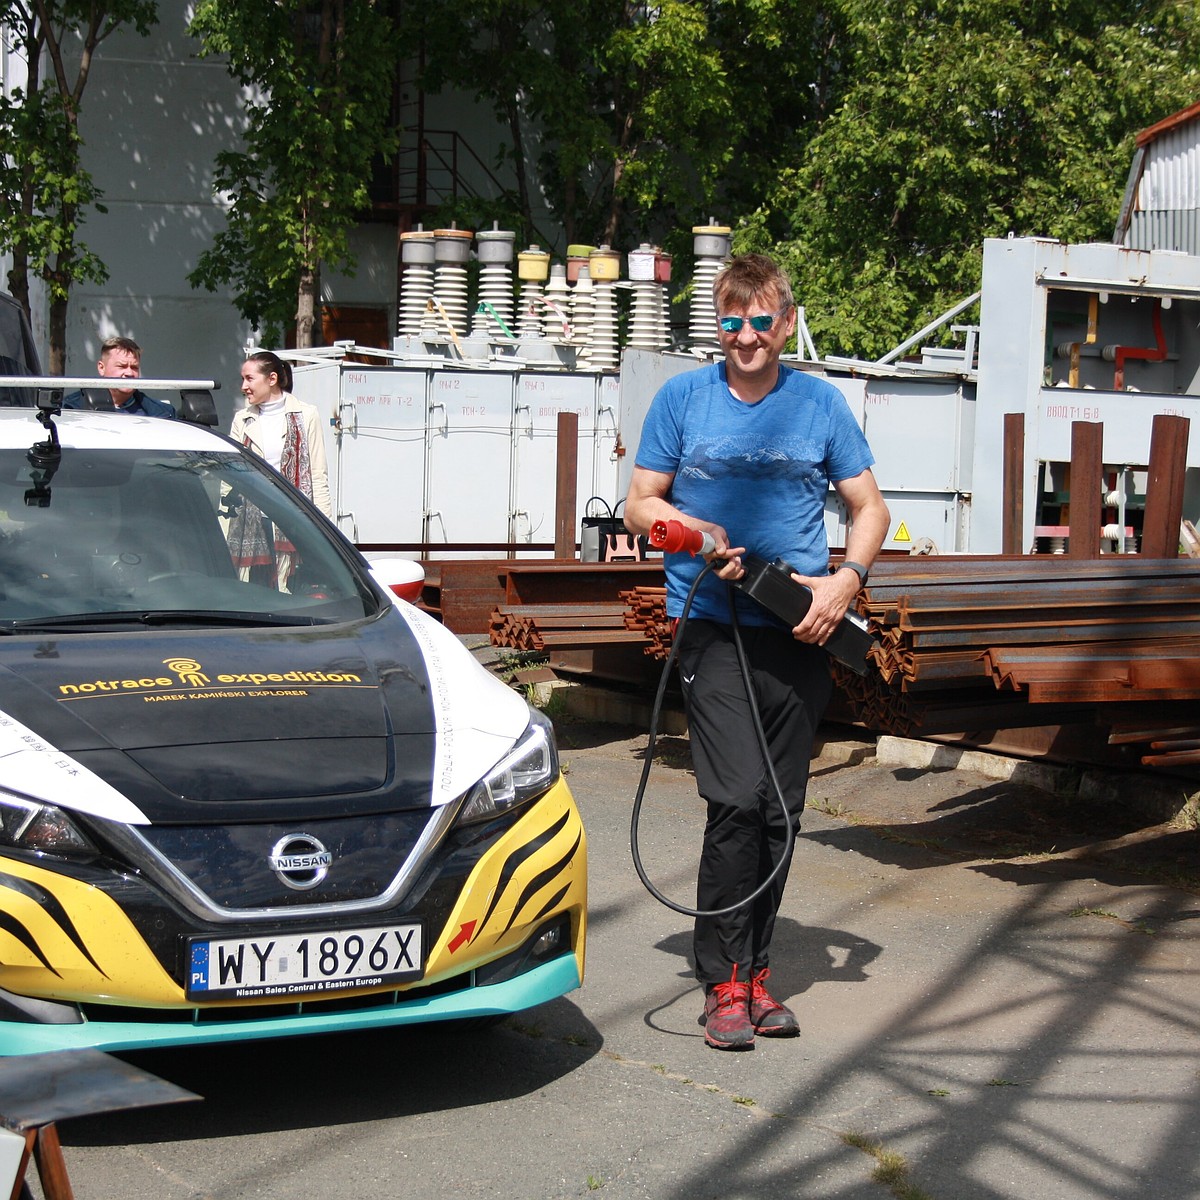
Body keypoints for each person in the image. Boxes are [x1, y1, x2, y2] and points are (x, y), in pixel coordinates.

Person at [623, 253, 890, 1051]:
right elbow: (641, 502)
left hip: (802, 629)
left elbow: (869, 509)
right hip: (711, 625)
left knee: (781, 809)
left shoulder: (819, 405)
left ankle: (757, 975)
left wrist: (843, 584)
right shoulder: (682, 399)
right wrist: (690, 532)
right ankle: (722, 983)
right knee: (736, 801)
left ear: (785, 321)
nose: (747, 336)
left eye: (762, 320)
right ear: (718, 324)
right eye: (732, 321)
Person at [227, 350, 332, 591]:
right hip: (252, 521)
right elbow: (230, 475)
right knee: (253, 588)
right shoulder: (242, 419)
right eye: (242, 379)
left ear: (271, 379)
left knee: (291, 587)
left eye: (249, 378)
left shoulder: (307, 415)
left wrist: (324, 525)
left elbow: (317, 473)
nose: (244, 386)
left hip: (294, 517)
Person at [63, 336, 176, 417]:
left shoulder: (163, 413)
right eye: (121, 366)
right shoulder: (70, 408)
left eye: (134, 367)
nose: (129, 373)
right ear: (101, 368)